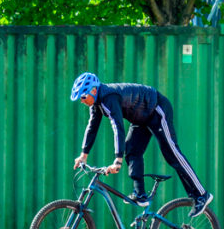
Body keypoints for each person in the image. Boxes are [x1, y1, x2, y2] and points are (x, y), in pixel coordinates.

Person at [70, 72, 212, 217]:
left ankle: (201, 194)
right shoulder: (97, 103)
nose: (81, 101)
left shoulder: (109, 97)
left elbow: (117, 127)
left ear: (93, 90)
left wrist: (117, 160)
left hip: (157, 109)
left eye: (83, 96)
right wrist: (83, 155)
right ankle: (140, 194)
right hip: (141, 118)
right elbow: (92, 127)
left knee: (172, 154)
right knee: (132, 150)